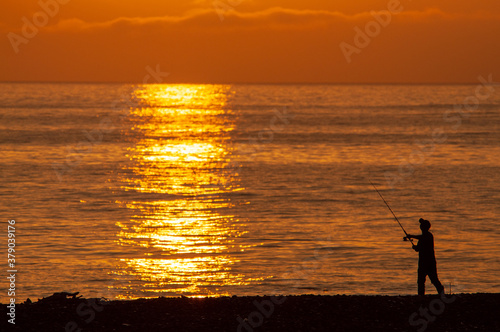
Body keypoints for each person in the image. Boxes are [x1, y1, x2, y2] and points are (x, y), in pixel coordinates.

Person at [404, 218, 445, 295]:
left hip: (428, 262)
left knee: (433, 279)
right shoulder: (423, 237)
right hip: (424, 262)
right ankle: (421, 295)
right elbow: (418, 249)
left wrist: (411, 236)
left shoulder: (428, 236)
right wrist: (415, 247)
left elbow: (421, 238)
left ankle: (441, 293)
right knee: (421, 281)